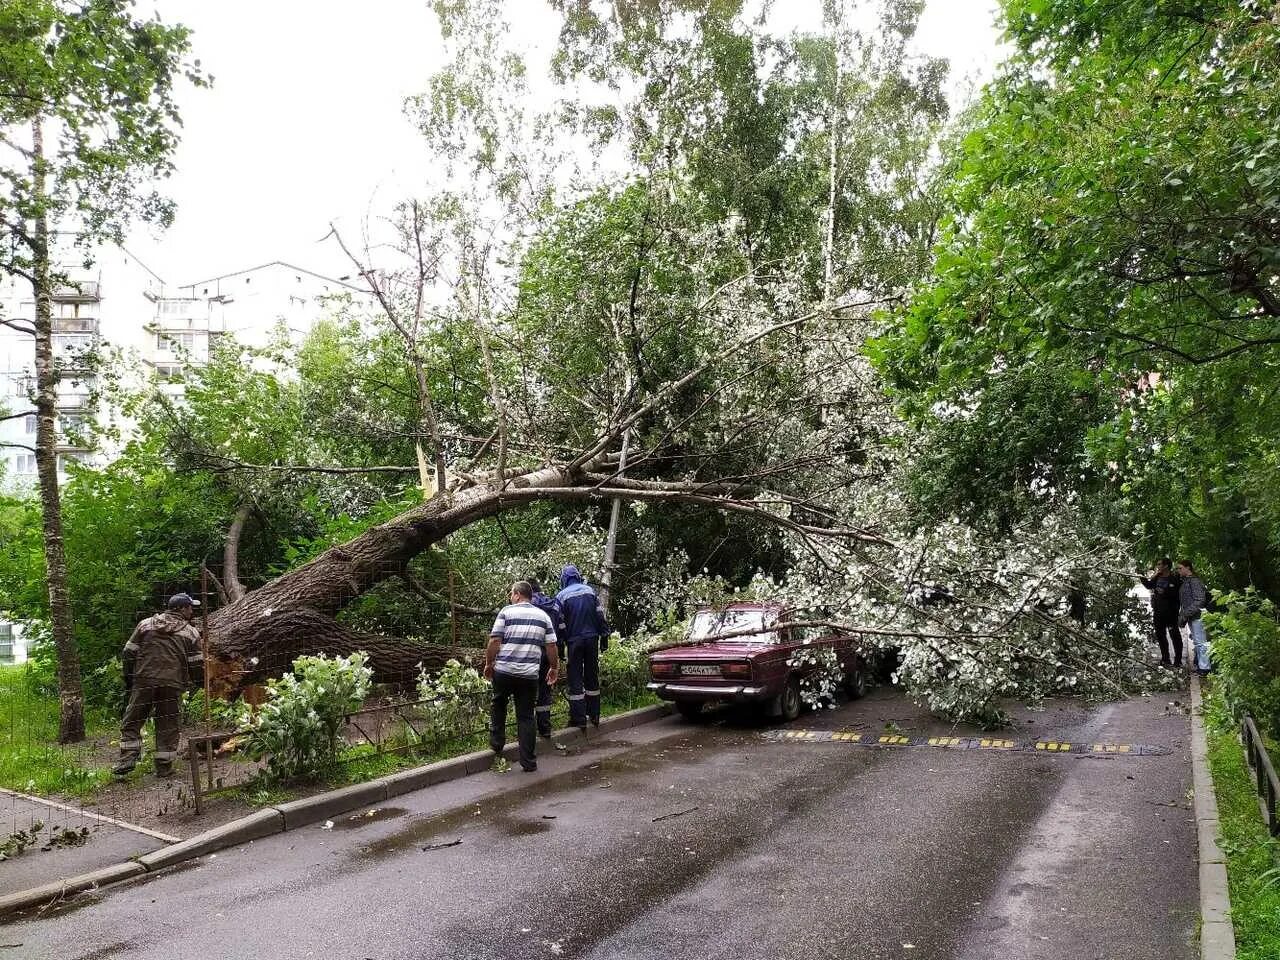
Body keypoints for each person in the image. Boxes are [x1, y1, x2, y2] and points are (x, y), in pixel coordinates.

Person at [113, 593, 204, 778]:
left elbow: (128, 653)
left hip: (144, 680)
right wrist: (202, 683)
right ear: (181, 609)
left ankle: (128, 758)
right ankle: (164, 767)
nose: (192, 611)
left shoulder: (145, 624)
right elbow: (196, 664)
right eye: (190, 607)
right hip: (172, 684)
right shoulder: (191, 633)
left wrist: (130, 679)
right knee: (168, 725)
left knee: (132, 721)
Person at [486, 581, 560, 772]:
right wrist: (554, 667)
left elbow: (495, 640)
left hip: (504, 671)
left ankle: (497, 743)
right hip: (529, 675)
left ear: (518, 594)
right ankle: (528, 762)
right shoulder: (543, 616)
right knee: (526, 716)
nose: (511, 597)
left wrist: (489, 664)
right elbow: (551, 645)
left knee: (499, 703)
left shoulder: (506, 612)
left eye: (512, 593)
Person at [556, 564, 610, 728]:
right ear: (578, 576)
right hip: (592, 638)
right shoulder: (590, 591)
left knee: (575, 678)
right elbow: (600, 615)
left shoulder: (561, 596)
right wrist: (604, 637)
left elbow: (560, 624)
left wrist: (560, 646)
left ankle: (578, 719)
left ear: (564, 579)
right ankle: (594, 715)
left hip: (574, 641)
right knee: (592, 675)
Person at [528, 579, 567, 739]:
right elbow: (562, 628)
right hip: (550, 651)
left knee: (527, 691)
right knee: (545, 690)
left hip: (532, 652)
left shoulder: (528, 606)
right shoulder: (554, 604)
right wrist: (561, 650)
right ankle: (545, 728)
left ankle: (527, 729)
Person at [1139, 558, 1183, 667]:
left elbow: (1177, 593)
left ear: (1166, 566)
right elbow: (1149, 585)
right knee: (1161, 636)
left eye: (1159, 564)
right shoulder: (1157, 577)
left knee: (1175, 636)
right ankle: (1165, 658)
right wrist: (1140, 576)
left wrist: (1165, 592)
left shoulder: (1174, 578)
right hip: (1158, 612)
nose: (1157, 566)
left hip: (1171, 613)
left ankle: (1178, 660)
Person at [1177, 560, 1211, 674]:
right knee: (1198, 642)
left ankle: (1205, 668)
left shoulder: (1194, 581)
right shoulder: (1186, 581)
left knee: (1201, 642)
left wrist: (1186, 613)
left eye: (1180, 568)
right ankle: (1200, 665)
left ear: (1188, 568)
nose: (1179, 570)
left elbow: (1200, 600)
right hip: (1192, 616)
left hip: (1198, 616)